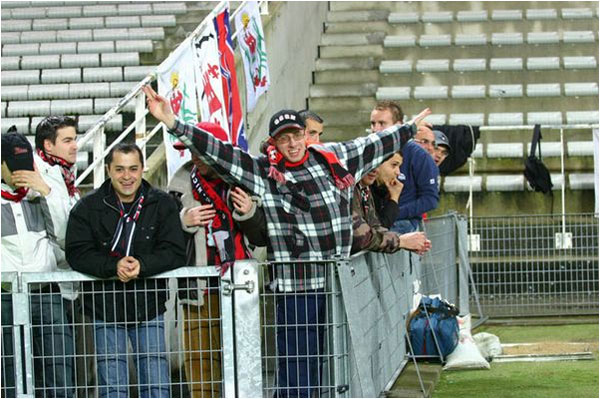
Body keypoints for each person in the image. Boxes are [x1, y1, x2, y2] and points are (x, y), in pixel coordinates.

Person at [143, 84, 429, 397]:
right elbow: (218, 151)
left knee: (339, 367)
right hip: (297, 288)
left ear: (306, 135)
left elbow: (373, 143)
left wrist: (408, 128)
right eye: (284, 138)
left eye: (297, 135)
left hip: (339, 284)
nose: (292, 143)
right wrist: (172, 122)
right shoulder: (263, 172)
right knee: (297, 373)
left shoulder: (334, 158)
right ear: (274, 143)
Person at [65, 142, 186, 398]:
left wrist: (142, 266)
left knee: (156, 383)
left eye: (133, 169)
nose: (127, 176)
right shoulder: (87, 207)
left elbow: (175, 251)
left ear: (143, 168)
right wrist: (113, 267)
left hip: (148, 305)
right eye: (119, 169)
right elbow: (76, 253)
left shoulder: (162, 204)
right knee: (112, 388)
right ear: (108, 170)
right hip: (104, 308)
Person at [167, 128, 251, 398]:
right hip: (197, 289)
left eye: (200, 149)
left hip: (239, 284)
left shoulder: (241, 178)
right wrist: (182, 221)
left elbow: (261, 236)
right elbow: (163, 235)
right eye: (191, 150)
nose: (195, 156)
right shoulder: (178, 183)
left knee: (243, 364)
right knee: (199, 367)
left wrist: (249, 212)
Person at [1, 131, 75, 398]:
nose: (21, 174)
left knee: (59, 375)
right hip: (5, 298)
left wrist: (47, 192)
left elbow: (66, 238)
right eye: (14, 167)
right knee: (9, 376)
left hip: (46, 295)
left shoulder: (46, 188)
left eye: (25, 166)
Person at [370, 101, 439, 234]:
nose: (376, 129)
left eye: (382, 123)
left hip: (403, 223)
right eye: (373, 123)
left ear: (398, 126)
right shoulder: (368, 150)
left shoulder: (419, 156)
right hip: (375, 221)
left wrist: (395, 212)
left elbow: (430, 199)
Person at [351, 155, 431, 255]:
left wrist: (406, 241)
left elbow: (376, 226)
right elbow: (363, 237)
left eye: (378, 164)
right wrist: (401, 241)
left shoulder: (365, 189)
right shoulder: (350, 190)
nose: (375, 169)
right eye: (393, 165)